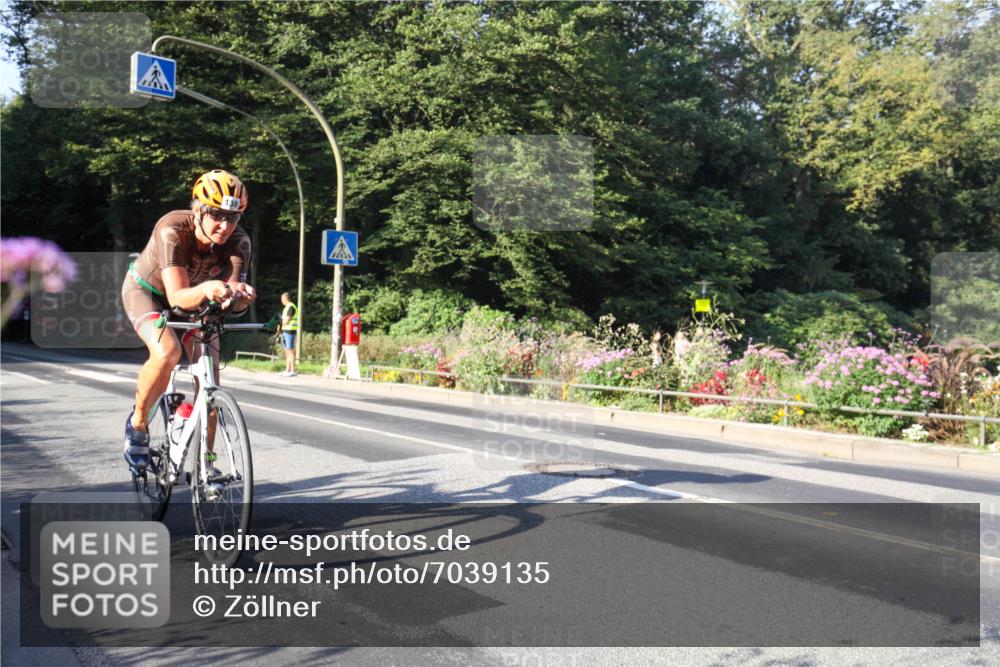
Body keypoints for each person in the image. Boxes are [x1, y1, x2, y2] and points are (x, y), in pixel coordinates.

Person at [121, 169, 256, 471]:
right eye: (217, 215)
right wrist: (209, 288)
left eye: (233, 218)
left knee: (209, 381)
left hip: (197, 302)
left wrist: (240, 298)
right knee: (168, 351)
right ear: (198, 210)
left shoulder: (239, 242)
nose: (225, 226)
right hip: (149, 293)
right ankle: (138, 425)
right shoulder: (172, 228)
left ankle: (205, 464)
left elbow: (232, 296)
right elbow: (178, 296)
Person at [279, 292, 298, 377]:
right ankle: (287, 369)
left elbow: (288, 319)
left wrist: (281, 326)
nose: (281, 300)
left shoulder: (291, 307)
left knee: (290, 350)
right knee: (287, 351)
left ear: (285, 298)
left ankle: (293, 370)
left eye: (282, 298)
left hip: (290, 330)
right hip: (286, 330)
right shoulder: (287, 307)